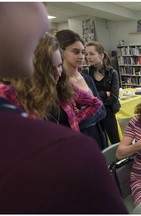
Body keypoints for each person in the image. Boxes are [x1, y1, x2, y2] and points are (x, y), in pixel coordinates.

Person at [0, 3, 127, 213]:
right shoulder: (11, 98)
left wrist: (73, 122)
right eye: (52, 66)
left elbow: (99, 104)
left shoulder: (64, 88)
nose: (58, 72)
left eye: (59, 66)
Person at [0, 33, 103, 132]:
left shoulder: (62, 86)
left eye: (59, 65)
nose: (58, 73)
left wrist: (76, 120)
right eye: (50, 69)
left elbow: (95, 103)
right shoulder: (8, 95)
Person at [55, 29, 108, 149]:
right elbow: (64, 123)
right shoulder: (57, 84)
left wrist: (79, 119)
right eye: (76, 52)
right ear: (61, 52)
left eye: (83, 52)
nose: (82, 57)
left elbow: (103, 110)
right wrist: (92, 113)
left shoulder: (87, 79)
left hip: (97, 135)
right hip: (76, 141)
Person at [86, 41, 121, 144]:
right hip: (94, 112)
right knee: (100, 140)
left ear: (101, 55)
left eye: (92, 54)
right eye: (86, 54)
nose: (88, 57)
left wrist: (96, 97)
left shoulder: (112, 73)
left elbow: (114, 97)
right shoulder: (87, 73)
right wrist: (105, 93)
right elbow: (88, 96)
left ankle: (118, 160)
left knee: (115, 140)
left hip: (108, 112)